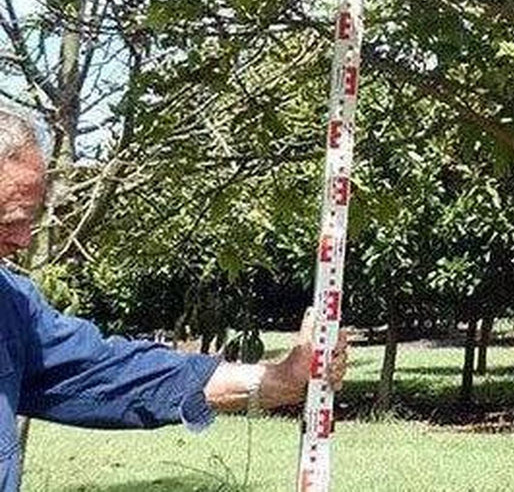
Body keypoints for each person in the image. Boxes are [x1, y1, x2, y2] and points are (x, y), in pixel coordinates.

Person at [0, 109, 346, 490]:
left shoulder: (12, 308)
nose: (23, 239)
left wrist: (281, 379)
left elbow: (116, 374)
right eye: (10, 219)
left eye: (29, 219)